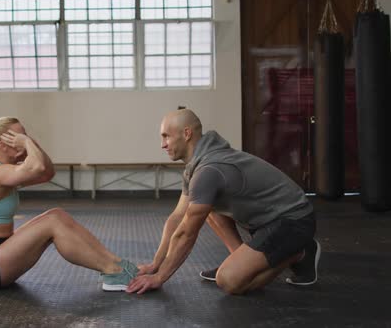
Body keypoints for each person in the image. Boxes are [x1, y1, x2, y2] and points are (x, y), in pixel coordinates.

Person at [126, 109, 320, 295]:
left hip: (293, 220)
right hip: (266, 221)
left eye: (166, 136)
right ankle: (240, 259)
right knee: (206, 207)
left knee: (229, 281)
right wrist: (155, 264)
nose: (163, 144)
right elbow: (177, 217)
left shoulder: (209, 170)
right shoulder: (196, 167)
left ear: (186, 134)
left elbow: (187, 233)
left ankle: (299, 252)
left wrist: (160, 277)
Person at [0, 117, 138, 291]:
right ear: (3, 145)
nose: (26, 139)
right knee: (52, 222)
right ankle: (113, 271)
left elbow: (47, 173)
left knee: (56, 215)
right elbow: (38, 167)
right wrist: (27, 143)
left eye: (25, 135)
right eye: (19, 136)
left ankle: (118, 265)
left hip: (1, 252)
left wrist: (31, 143)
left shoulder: (6, 171)